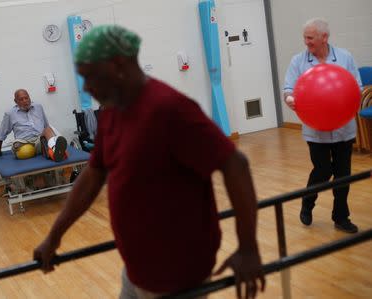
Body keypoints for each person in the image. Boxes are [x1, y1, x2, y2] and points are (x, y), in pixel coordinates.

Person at [34, 25, 265, 299]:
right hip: (136, 270)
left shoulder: (169, 110)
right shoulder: (111, 111)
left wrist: (249, 248)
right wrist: (54, 235)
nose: (86, 87)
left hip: (176, 275)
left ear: (118, 64)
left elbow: (235, 164)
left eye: (90, 76)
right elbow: (94, 174)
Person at [283, 18, 363, 233]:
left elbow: (356, 86)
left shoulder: (344, 57)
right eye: (305, 37)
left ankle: (341, 217)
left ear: (324, 37)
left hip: (343, 129)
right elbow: (289, 88)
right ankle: (307, 203)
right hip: (315, 129)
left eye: (310, 38)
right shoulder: (298, 61)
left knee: (343, 174)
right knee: (322, 170)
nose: (306, 42)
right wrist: (290, 99)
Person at [0, 89, 68, 162]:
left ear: (29, 97)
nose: (25, 101)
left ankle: (54, 151)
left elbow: (46, 125)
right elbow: (1, 133)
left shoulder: (38, 107)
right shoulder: (10, 114)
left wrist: (51, 138)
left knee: (48, 130)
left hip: (39, 141)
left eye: (26, 98)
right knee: (21, 148)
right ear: (16, 101)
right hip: (23, 142)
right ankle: (48, 151)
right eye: (21, 99)